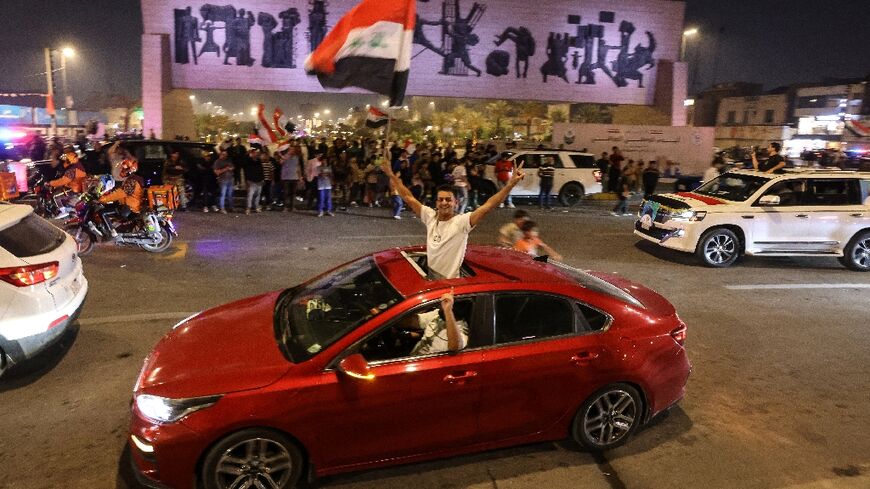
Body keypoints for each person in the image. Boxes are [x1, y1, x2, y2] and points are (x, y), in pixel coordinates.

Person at [383, 159, 526, 280]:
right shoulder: (430, 216)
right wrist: (390, 174)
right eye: (440, 199)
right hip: (430, 277)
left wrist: (510, 185)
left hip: (449, 284)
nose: (444, 202)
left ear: (456, 203)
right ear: (436, 203)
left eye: (448, 200)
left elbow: (488, 205)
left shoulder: (462, 222)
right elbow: (408, 197)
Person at [409, 289, 468, 355]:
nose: (439, 305)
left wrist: (447, 310)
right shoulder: (438, 314)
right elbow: (414, 322)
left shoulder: (461, 328)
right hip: (414, 357)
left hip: (430, 363)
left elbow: (455, 347)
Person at [97, 159, 146, 237]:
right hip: (130, 205)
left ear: (129, 170)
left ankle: (112, 233)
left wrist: (104, 199)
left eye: (124, 169)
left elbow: (120, 193)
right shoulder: (134, 179)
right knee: (109, 207)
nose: (122, 171)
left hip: (130, 208)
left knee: (102, 212)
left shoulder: (132, 181)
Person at [279, 144, 302, 212]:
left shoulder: (296, 157)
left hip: (294, 177)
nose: (292, 150)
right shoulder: (285, 156)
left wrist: (300, 176)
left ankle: (292, 207)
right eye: (290, 149)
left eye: (293, 149)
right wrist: (284, 156)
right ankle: (285, 207)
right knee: (286, 193)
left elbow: (298, 167)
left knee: (293, 193)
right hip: (286, 177)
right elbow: (280, 162)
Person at [213, 150, 235, 214]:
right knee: (223, 194)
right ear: (220, 154)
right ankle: (222, 208)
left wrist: (231, 168)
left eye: (226, 154)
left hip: (230, 179)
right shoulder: (217, 162)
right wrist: (226, 169)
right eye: (223, 154)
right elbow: (216, 172)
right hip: (223, 180)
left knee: (230, 194)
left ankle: (231, 207)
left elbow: (233, 167)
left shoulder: (228, 160)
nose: (225, 156)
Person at [244, 148, 265, 214]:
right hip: (251, 181)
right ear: (252, 153)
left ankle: (256, 207)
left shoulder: (259, 161)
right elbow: (245, 169)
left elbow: (261, 171)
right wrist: (247, 180)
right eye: (256, 152)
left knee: (258, 195)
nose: (257, 154)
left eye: (258, 152)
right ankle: (248, 208)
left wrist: (262, 179)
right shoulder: (248, 160)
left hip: (259, 180)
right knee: (250, 195)